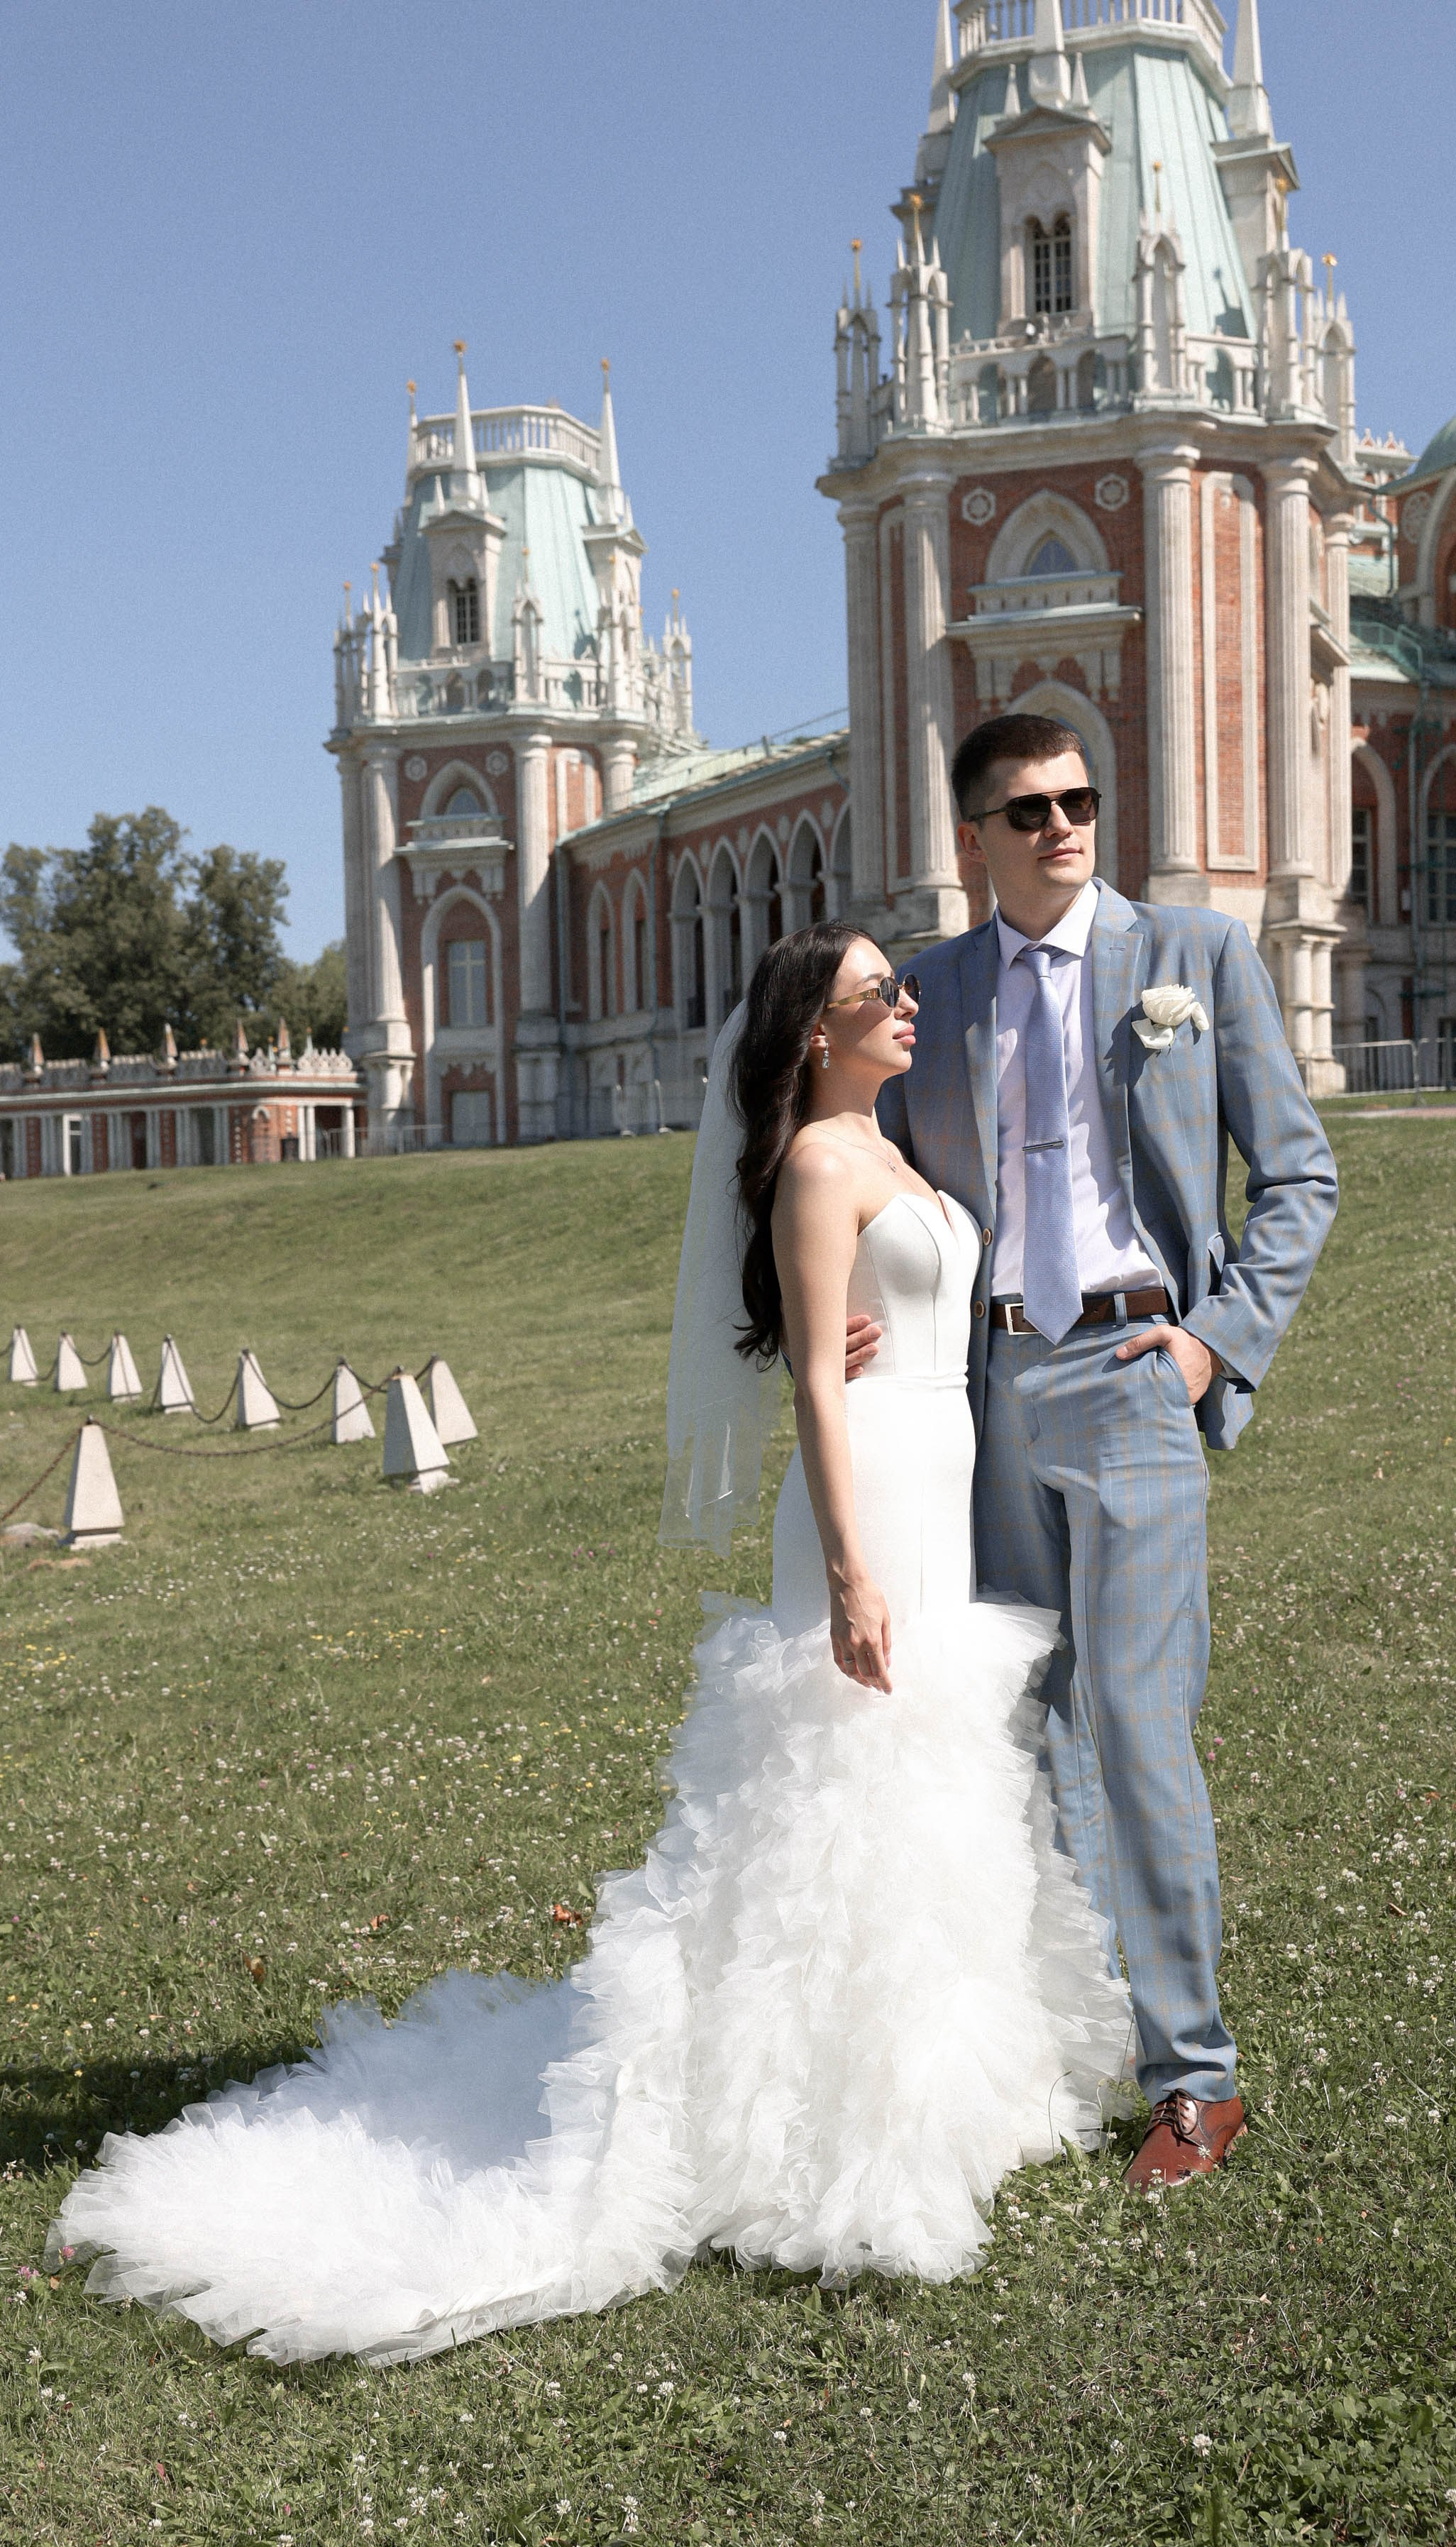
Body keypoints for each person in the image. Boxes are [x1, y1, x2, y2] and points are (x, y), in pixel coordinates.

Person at [49, 925, 1133, 2365]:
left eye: (902, 988)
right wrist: (854, 1566)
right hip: (868, 1494)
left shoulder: (892, 1148)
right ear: (815, 1034)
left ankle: (955, 2077)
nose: (908, 1007)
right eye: (881, 994)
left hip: (939, 1466)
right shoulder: (819, 1163)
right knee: (847, 1766)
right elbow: (815, 1378)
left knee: (933, 1768)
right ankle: (819, 2113)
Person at [872, 713, 1337, 2194]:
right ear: (972, 842)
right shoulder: (926, 996)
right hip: (988, 1389)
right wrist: (855, 1317)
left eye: (1080, 799)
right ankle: (1074, 2043)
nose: (1064, 825)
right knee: (1031, 1726)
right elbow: (848, 1162)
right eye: (1029, 810)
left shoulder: (1195, 958)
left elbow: (1299, 1173)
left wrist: (1215, 1339)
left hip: (1140, 1372)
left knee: (1136, 1727)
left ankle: (1197, 2080)